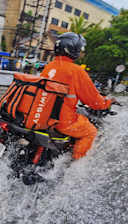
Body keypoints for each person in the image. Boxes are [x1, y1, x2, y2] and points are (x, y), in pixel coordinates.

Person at [40, 32, 117, 160]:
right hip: (61, 120)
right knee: (90, 132)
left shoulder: (48, 66)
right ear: (73, 50)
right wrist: (108, 101)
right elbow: (94, 102)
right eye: (80, 49)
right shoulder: (76, 70)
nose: (81, 53)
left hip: (43, 115)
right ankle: (75, 166)